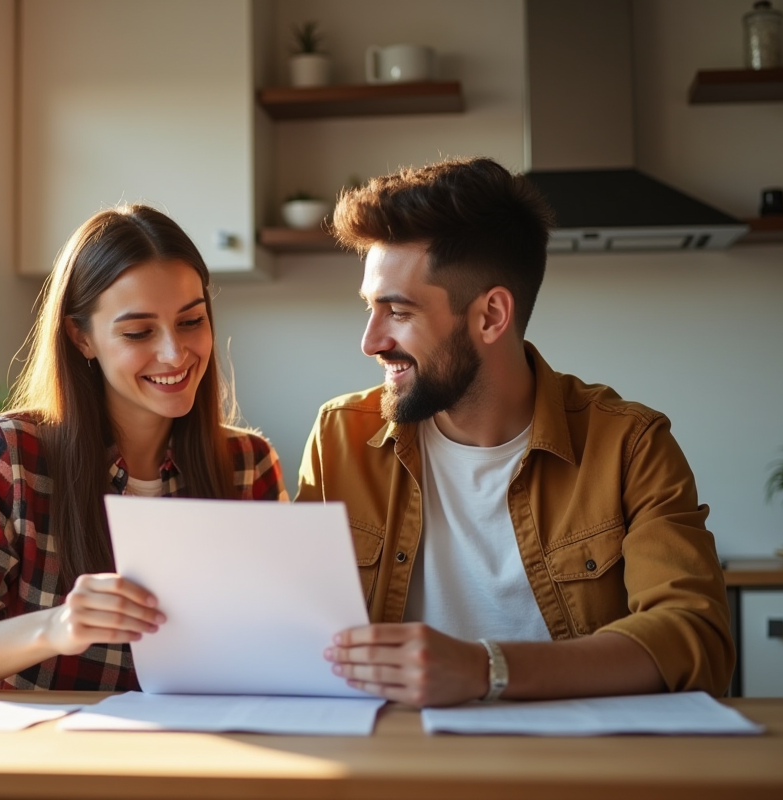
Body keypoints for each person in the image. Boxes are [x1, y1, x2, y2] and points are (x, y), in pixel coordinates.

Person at [299, 158, 733, 707]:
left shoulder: (630, 445)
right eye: (370, 308)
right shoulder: (339, 438)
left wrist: (486, 669)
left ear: (490, 315)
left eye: (398, 312)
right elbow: (293, 622)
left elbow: (697, 637)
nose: (370, 341)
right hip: (397, 759)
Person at [0, 205, 287, 691]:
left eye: (191, 321)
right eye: (138, 332)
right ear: (81, 337)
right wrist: (57, 628)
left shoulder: (248, 465)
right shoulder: (10, 454)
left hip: (205, 753)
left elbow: (280, 644)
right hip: (55, 759)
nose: (174, 352)